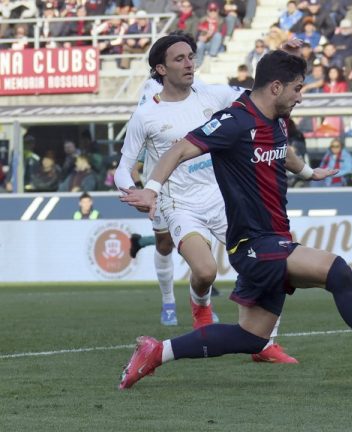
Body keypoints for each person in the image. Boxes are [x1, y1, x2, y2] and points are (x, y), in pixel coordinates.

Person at [118, 49, 352, 390]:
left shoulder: (274, 120)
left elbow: (279, 150)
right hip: (254, 243)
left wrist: (307, 172)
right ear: (275, 87)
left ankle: (157, 351)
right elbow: (180, 148)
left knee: (252, 337)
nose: (300, 97)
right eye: (297, 89)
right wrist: (152, 189)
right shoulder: (234, 121)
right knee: (337, 271)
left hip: (271, 238)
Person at [114, 32, 297, 363]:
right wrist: (136, 193)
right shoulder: (146, 115)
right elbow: (123, 168)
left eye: (191, 57)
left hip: (222, 198)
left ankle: (265, 343)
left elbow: (259, 95)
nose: (189, 64)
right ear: (160, 69)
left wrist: (283, 68)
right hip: (179, 204)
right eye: (179, 59)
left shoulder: (212, 96)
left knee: (270, 262)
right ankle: (200, 306)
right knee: (205, 271)